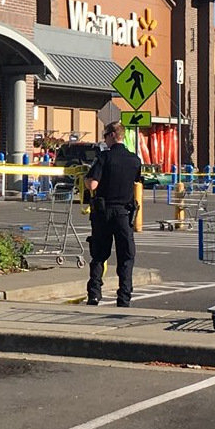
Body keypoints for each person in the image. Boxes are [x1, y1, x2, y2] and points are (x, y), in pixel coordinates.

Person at [85, 120, 143, 307]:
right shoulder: (135, 160)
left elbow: (93, 184)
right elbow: (136, 181)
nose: (104, 140)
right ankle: (124, 297)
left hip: (103, 213)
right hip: (124, 214)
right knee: (126, 256)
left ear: (111, 135)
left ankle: (94, 294)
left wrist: (86, 180)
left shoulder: (104, 157)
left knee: (99, 255)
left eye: (105, 136)